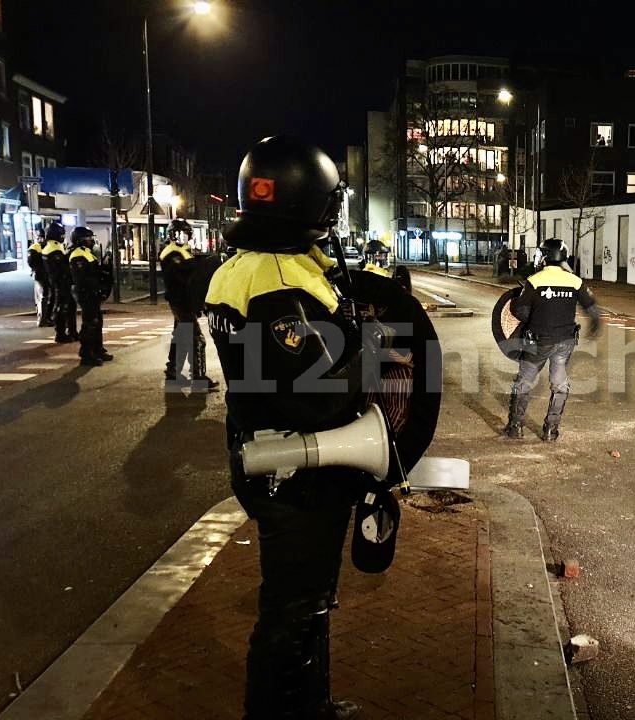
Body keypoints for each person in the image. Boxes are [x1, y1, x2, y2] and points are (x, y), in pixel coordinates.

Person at [204, 135, 440, 720]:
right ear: (312, 203)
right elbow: (318, 395)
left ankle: (312, 707)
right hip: (299, 476)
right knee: (292, 611)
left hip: (284, 463)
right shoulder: (278, 284)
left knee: (309, 605)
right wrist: (376, 344)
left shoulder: (246, 268)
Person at [504, 237, 601, 441]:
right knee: (560, 384)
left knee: (524, 382)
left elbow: (520, 310)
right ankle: (551, 430)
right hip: (565, 342)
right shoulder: (575, 281)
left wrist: (536, 315)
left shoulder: (535, 280)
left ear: (546, 256)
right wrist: (594, 328)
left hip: (538, 341)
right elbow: (592, 309)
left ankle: (516, 427)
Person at [160, 218, 217, 390]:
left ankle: (172, 370)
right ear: (172, 235)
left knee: (180, 335)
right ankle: (199, 379)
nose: (183, 237)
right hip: (181, 302)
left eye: (185, 234)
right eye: (180, 234)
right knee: (197, 339)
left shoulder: (181, 251)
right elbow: (185, 279)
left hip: (181, 301)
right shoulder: (173, 253)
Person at [67, 226, 114, 366]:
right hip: (86, 293)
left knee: (97, 321)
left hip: (92, 292)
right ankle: (87, 353)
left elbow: (94, 271)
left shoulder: (86, 253)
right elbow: (84, 278)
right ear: (81, 240)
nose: (91, 240)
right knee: (90, 323)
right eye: (89, 238)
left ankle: (97, 349)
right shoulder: (77, 255)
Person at [42, 221, 78, 343]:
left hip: (57, 281)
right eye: (61, 235)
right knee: (62, 307)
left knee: (69, 306)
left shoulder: (51, 246)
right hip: (61, 282)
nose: (63, 237)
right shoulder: (54, 249)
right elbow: (62, 267)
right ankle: (61, 333)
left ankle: (71, 331)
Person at [27, 223, 54, 326]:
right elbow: (31, 262)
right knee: (42, 297)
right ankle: (42, 319)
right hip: (39, 275)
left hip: (46, 275)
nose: (42, 240)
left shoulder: (46, 247)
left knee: (47, 296)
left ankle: (46, 318)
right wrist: (38, 269)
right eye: (40, 238)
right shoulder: (35, 247)